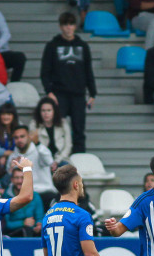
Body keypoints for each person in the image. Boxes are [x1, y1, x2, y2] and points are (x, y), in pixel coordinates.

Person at [40, 12, 96, 154]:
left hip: (78, 94)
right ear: (60, 26)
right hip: (59, 95)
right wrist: (49, 92)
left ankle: (79, 159)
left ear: (75, 26)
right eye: (65, 24)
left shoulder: (83, 46)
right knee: (58, 129)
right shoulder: (52, 46)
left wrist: (93, 93)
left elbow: (88, 70)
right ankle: (57, 158)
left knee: (79, 129)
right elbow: (45, 71)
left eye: (71, 24)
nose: (68, 28)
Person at [8, 126, 57, 205]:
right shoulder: (13, 157)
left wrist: (37, 143)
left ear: (29, 137)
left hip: (44, 192)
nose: (19, 140)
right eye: (16, 138)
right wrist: (11, 169)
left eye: (22, 136)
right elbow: (11, 180)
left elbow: (49, 161)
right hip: (25, 195)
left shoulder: (39, 150)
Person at [29, 97, 72, 167]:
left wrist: (56, 161)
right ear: (39, 112)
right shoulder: (34, 125)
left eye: (49, 110)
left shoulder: (63, 124)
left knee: (66, 170)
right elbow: (33, 147)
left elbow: (68, 146)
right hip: (41, 160)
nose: (46, 113)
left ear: (54, 111)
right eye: (43, 110)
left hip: (60, 159)